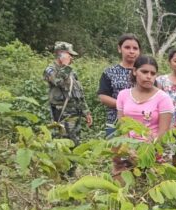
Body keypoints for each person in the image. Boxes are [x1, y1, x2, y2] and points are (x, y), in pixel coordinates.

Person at [113, 55, 173, 178]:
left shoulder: (163, 98)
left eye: (153, 73)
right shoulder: (123, 95)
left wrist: (145, 152)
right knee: (123, 188)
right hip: (127, 148)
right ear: (135, 71)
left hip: (152, 150)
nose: (149, 76)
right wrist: (128, 149)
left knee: (148, 187)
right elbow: (121, 126)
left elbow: (163, 132)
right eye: (144, 72)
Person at [43, 41, 92, 176]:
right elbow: (57, 81)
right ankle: (62, 173)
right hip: (62, 114)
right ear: (61, 54)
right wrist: (64, 65)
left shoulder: (71, 72)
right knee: (63, 143)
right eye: (70, 55)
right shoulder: (50, 70)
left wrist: (86, 111)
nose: (72, 58)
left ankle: (72, 171)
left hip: (75, 114)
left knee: (75, 142)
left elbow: (78, 93)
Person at [98, 34, 141, 136]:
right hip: (115, 121)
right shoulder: (110, 72)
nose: (131, 51)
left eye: (135, 48)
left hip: (141, 122)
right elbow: (103, 96)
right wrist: (125, 106)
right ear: (119, 49)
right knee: (115, 151)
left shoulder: (145, 72)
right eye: (127, 47)